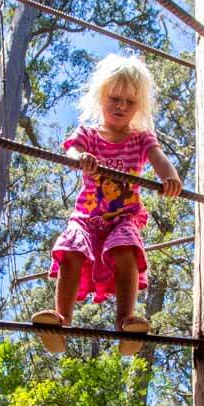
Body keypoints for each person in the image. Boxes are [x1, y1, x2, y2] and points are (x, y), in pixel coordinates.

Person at [32, 54, 182, 357]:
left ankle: (126, 323)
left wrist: (170, 177)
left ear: (138, 107)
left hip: (122, 218)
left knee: (126, 249)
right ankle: (61, 321)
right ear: (101, 97)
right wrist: (81, 159)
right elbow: (73, 151)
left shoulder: (141, 139)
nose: (121, 107)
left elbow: (159, 159)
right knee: (72, 251)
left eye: (129, 102)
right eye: (115, 98)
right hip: (87, 217)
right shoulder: (89, 134)